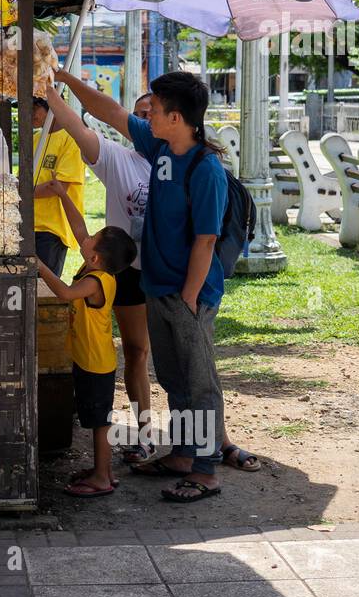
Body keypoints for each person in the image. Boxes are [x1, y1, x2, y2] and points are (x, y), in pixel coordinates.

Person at [49, 74, 262, 476]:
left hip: (186, 294)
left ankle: (204, 470)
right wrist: (56, 81)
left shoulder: (205, 169)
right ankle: (183, 454)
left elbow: (205, 241)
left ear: (176, 118)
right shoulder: (160, 147)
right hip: (157, 287)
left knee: (198, 382)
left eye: (157, 111)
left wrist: (188, 298)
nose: (148, 118)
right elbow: (108, 112)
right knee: (174, 379)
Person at [47, 83, 154, 465]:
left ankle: (209, 440)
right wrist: (53, 89)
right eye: (141, 113)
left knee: (180, 359)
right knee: (137, 354)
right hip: (125, 275)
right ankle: (145, 436)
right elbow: (80, 127)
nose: (147, 118)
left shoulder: (186, 160)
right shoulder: (119, 158)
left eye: (154, 111)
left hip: (170, 274)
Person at [37, 203, 137, 498]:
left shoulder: (94, 281)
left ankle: (102, 477)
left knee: (99, 423)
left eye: (93, 237)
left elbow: (65, 294)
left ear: (94, 257)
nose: (86, 237)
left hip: (96, 364)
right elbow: (79, 228)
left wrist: (41, 267)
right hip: (89, 358)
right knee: (95, 419)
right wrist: (62, 195)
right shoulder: (95, 266)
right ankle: (102, 471)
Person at [30, 96, 84, 276]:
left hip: (53, 230)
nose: (29, 113)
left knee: (44, 290)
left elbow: (58, 186)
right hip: (30, 225)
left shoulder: (71, 140)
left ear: (53, 107)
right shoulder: (36, 139)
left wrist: (22, 192)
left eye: (35, 107)